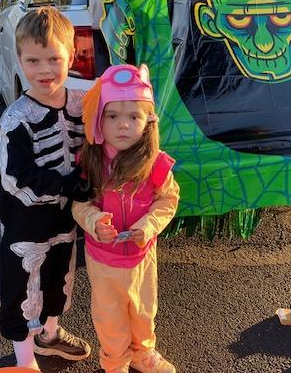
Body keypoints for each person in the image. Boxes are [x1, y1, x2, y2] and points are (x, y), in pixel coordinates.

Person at [0, 6, 91, 370]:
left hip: (65, 220)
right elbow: (14, 178)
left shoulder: (82, 105)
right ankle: (25, 361)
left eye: (54, 59)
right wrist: (67, 185)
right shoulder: (15, 119)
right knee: (23, 289)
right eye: (33, 61)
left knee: (59, 279)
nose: (44, 70)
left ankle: (50, 335)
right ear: (19, 60)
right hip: (26, 226)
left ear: (72, 56)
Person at [73, 64, 180, 373]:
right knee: (110, 316)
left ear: (148, 122)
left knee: (144, 310)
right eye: (112, 116)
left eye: (134, 117)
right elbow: (79, 204)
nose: (123, 125)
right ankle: (115, 361)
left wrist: (148, 226)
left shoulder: (154, 164)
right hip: (103, 259)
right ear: (98, 119)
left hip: (141, 257)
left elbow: (168, 199)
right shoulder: (90, 162)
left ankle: (144, 354)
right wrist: (94, 222)